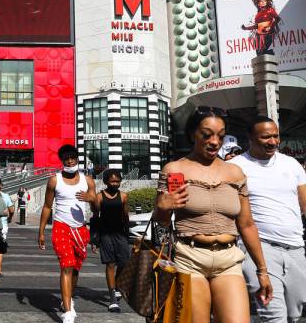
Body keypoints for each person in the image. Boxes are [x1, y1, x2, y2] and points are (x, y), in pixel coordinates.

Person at [154, 107, 273, 323]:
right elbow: (161, 229)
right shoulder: (174, 170)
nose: (214, 141)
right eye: (207, 134)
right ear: (192, 134)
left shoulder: (234, 172)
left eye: (220, 135)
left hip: (228, 259)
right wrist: (162, 209)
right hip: (189, 258)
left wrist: (262, 271)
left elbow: (246, 225)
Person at [231, 115, 306, 322]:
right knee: (273, 316)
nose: (272, 142)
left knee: (294, 315)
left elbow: (305, 204)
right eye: (266, 137)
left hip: (296, 249)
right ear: (251, 138)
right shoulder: (236, 167)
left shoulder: (292, 164)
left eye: (276, 136)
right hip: (259, 249)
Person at [38, 144, 97, 323]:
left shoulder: (88, 181)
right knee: (66, 266)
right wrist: (41, 232)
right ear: (62, 161)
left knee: (76, 268)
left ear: (77, 159)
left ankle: (67, 299)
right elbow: (47, 206)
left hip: (80, 229)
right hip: (61, 227)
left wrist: (92, 199)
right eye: (66, 158)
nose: (70, 161)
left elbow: (96, 209)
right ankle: (68, 312)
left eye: (73, 157)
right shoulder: (55, 180)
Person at [91, 169, 130, 312]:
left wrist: (128, 234)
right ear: (106, 182)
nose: (115, 183)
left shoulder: (124, 196)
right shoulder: (99, 197)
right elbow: (95, 217)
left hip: (120, 234)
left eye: (118, 181)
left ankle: (118, 285)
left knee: (124, 262)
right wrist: (94, 239)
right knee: (110, 264)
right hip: (105, 235)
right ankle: (113, 298)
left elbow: (125, 216)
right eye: (112, 181)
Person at [0, 177, 15, 276]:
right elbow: (12, 210)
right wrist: (10, 218)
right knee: (1, 246)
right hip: (3, 225)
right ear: (1, 185)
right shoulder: (5, 196)